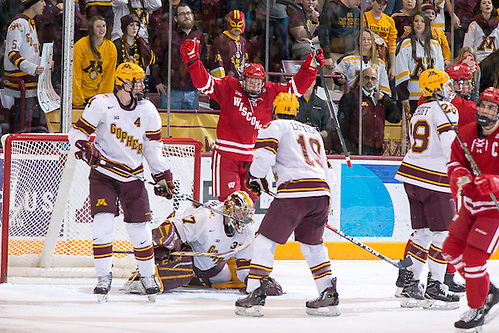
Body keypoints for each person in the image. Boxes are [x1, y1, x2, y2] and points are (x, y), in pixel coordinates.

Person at [68, 62, 176, 302]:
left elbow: (152, 148)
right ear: (122, 84)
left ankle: (148, 276)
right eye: (136, 82)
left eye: (141, 81)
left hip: (133, 177)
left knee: (140, 231)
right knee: (102, 226)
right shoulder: (101, 104)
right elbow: (76, 133)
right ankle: (104, 277)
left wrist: (162, 175)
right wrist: (85, 148)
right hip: (103, 175)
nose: (141, 86)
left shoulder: (148, 110)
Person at [180, 37, 324, 202]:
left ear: (263, 82)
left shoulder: (271, 91)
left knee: (248, 207)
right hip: (227, 156)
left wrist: (311, 67)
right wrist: (193, 60)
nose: (254, 86)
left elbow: (295, 89)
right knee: (228, 206)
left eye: (257, 82)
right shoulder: (229, 87)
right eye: (250, 81)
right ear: (243, 80)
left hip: (253, 161)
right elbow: (204, 83)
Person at [234, 92, 337, 317]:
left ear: (275, 110)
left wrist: (254, 177)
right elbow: (327, 169)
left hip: (296, 191)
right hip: (321, 192)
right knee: (313, 247)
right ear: (296, 112)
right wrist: (325, 203)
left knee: (264, 242)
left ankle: (255, 294)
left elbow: (263, 159)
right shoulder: (313, 132)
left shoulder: (274, 126)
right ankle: (328, 292)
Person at [394, 68, 461, 309]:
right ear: (436, 88)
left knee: (422, 234)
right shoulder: (446, 108)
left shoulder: (418, 110)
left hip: (411, 176)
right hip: (434, 179)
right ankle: (436, 286)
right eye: (446, 84)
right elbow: (448, 144)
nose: (449, 88)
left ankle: (411, 285)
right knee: (443, 234)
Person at [131, 190, 283, 294]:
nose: (243, 218)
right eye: (240, 213)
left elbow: (244, 267)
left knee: (224, 277)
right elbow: (173, 226)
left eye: (246, 214)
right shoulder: (206, 218)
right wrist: (160, 250)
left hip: (207, 260)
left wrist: (256, 283)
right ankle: (147, 276)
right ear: (229, 210)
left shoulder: (248, 229)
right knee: (183, 265)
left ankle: (194, 276)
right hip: (185, 241)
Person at [443, 87, 499, 330]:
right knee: (450, 249)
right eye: (484, 105)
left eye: (492, 107)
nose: (485, 110)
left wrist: (496, 182)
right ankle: (488, 290)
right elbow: (455, 161)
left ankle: (478, 307)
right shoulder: (465, 133)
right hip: (471, 204)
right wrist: (459, 174)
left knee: (474, 258)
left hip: (494, 210)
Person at [151, 2, 207, 110]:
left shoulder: (199, 35)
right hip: (171, 90)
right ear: (175, 19)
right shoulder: (168, 34)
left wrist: (202, 83)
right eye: (182, 14)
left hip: (192, 90)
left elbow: (203, 61)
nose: (186, 16)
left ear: (193, 16)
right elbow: (156, 59)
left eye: (188, 13)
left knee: (191, 126)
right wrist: (157, 82)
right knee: (170, 124)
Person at [3, 0, 48, 133]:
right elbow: (12, 54)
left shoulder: (30, 23)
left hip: (30, 82)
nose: (45, 4)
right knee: (21, 121)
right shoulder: (17, 24)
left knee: (31, 119)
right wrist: (33, 68)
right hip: (20, 84)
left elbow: (29, 54)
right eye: (41, 0)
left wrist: (44, 63)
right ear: (32, 3)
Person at [337, 67, 400, 155]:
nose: (369, 81)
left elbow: (396, 118)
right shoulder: (351, 97)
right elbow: (342, 125)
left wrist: (385, 99)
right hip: (356, 150)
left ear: (377, 81)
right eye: (367, 78)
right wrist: (345, 148)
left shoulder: (382, 99)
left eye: (373, 78)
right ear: (361, 79)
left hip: (377, 150)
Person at [395, 11, 444, 115]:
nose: (418, 24)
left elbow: (440, 72)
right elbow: (401, 70)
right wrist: (403, 95)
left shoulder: (435, 45)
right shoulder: (406, 44)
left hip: (431, 96)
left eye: (422, 21)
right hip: (412, 96)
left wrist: (439, 94)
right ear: (412, 24)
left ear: (427, 24)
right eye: (416, 21)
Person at [72, 15, 117, 106]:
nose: (102, 29)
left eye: (104, 26)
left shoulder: (111, 47)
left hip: (98, 97)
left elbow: (109, 76)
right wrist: (78, 99)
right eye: (98, 26)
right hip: (81, 96)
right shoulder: (80, 45)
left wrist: (102, 99)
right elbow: (75, 73)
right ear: (91, 28)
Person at [208, 10, 249, 109]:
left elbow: (246, 64)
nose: (236, 28)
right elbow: (217, 67)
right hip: (224, 92)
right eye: (233, 24)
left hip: (240, 91)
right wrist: (224, 88)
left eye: (239, 24)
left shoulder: (243, 42)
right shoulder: (220, 41)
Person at [334, 28, 391, 96]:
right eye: (363, 39)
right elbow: (337, 74)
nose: (366, 41)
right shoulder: (347, 59)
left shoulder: (380, 63)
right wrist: (340, 79)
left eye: (369, 39)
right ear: (358, 41)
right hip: (352, 100)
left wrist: (383, 98)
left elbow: (384, 85)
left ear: (373, 42)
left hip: (372, 101)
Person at [317, 0, 361, 77]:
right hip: (334, 55)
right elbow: (323, 32)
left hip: (352, 54)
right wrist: (327, 56)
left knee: (348, 86)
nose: (359, 2)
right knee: (330, 86)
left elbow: (360, 32)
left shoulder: (357, 11)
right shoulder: (331, 8)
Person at [363, 0, 397, 80]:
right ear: (372, 2)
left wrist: (392, 67)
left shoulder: (389, 21)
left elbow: (392, 45)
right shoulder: (364, 17)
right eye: (378, 3)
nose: (381, 6)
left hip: (382, 58)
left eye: (384, 4)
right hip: (366, 58)